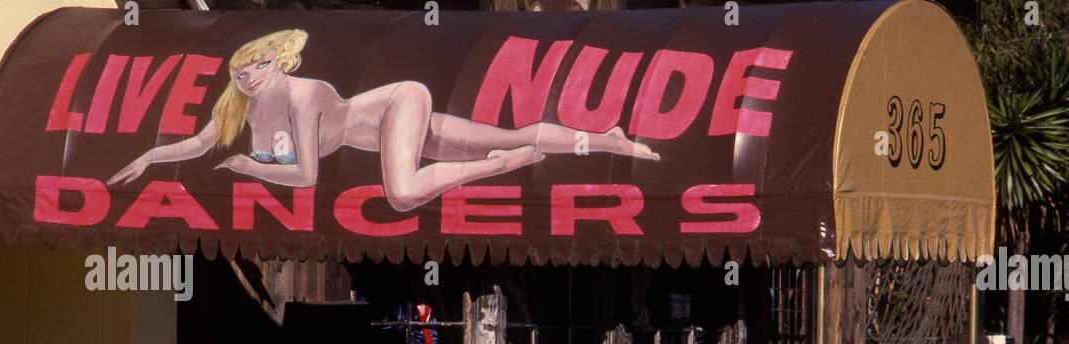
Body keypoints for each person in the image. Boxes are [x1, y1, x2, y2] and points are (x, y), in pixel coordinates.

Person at [108, 29, 660, 211]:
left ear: (278, 61)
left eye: (253, 68)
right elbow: (200, 143)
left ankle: (500, 167)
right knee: (513, 132)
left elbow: (305, 177)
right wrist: (152, 155)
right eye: (239, 72)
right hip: (396, 129)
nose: (245, 78)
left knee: (400, 192)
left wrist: (251, 167)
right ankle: (602, 140)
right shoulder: (240, 107)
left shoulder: (303, 96)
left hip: (402, 104)